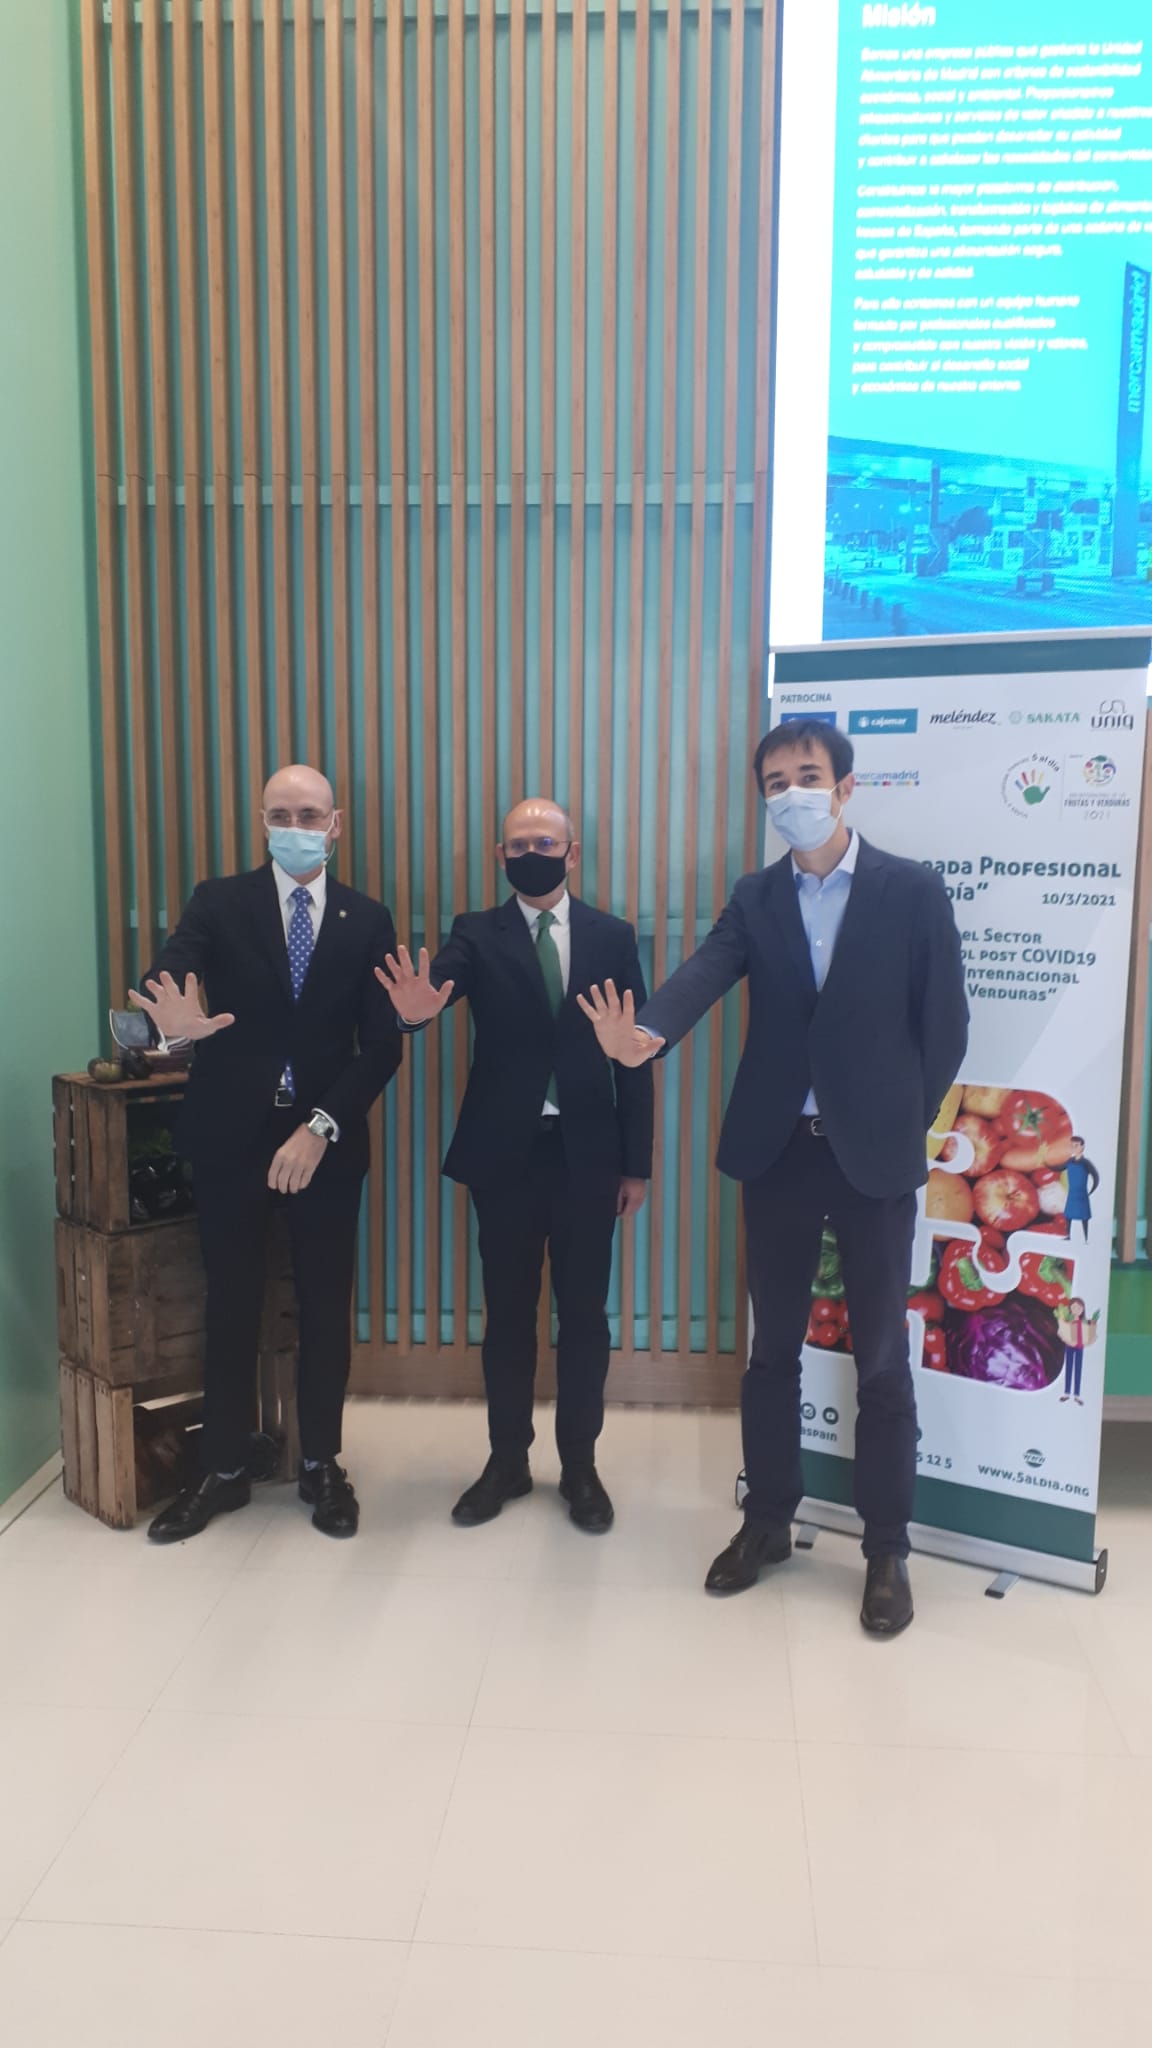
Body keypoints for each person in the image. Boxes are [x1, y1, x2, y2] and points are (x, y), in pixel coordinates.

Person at [578, 720, 968, 1636]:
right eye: (775, 782)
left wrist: (895, 1122)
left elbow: (944, 1027)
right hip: (778, 1151)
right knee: (771, 1353)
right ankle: (767, 1521)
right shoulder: (756, 896)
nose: (792, 793)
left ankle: (887, 1548)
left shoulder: (911, 890)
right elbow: (705, 972)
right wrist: (645, 1036)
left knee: (882, 1359)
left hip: (872, 1158)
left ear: (845, 786)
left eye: (807, 775)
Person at [128, 765, 402, 1543]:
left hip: (325, 1143)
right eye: (280, 814)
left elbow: (382, 1046)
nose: (295, 827)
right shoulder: (219, 902)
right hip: (231, 1139)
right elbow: (169, 974)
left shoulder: (366, 918)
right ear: (262, 822)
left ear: (335, 824)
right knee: (231, 1303)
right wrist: (174, 1018)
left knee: (324, 1307)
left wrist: (320, 1126)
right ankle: (221, 1469)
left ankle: (321, 1463)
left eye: (309, 814)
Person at [377, 798, 653, 1534]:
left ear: (572, 853)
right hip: (506, 1154)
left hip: (590, 1155)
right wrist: (413, 1010)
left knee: (585, 1317)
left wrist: (638, 1164)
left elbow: (635, 1055)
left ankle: (580, 1466)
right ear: (501, 857)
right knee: (506, 1316)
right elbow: (435, 992)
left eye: (546, 842)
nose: (533, 853)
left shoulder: (613, 935)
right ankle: (507, 1461)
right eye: (518, 844)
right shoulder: (476, 932)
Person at [1057, 1297, 1098, 1406]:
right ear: (1070, 1309)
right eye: (1074, 1307)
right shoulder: (1068, 1321)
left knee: (1078, 1369)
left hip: (1080, 1347)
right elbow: (1061, 1332)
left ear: (1083, 1309)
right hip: (1069, 1346)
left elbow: (1091, 1333)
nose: (1076, 1310)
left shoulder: (1085, 1322)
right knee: (1069, 1368)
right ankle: (1067, 1393)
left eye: (1079, 1308)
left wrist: (1093, 1324)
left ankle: (1077, 1394)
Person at [1062, 1138, 1099, 1244]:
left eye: (1076, 1145)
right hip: (1072, 1193)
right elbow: (1059, 1167)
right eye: (1072, 1146)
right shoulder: (1069, 1161)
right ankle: (1068, 1235)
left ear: (1082, 1147)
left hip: (1082, 1193)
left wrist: (1092, 1190)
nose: (1073, 1148)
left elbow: (1095, 1176)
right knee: (1068, 1216)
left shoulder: (1085, 1163)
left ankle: (1086, 1238)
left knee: (1084, 1217)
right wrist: (1046, 1163)